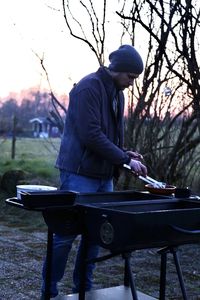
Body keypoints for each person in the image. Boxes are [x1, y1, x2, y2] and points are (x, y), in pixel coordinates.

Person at [41, 44, 147, 299]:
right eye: (130, 77)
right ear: (118, 69)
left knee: (95, 238)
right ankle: (49, 292)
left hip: (103, 177)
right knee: (65, 237)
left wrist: (126, 154)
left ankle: (84, 292)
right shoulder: (88, 88)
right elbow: (91, 135)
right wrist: (123, 158)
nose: (131, 83)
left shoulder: (117, 94)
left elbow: (109, 136)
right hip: (78, 173)